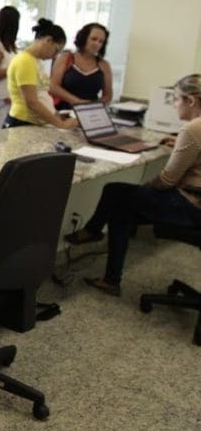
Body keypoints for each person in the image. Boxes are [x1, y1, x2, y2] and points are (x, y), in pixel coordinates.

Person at [69, 74, 201, 296]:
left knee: (115, 192)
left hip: (190, 208)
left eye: (176, 99)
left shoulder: (192, 130)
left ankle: (92, 232)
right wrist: (178, 143)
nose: (174, 104)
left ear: (191, 101)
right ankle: (110, 280)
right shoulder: (192, 131)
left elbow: (167, 181)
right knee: (122, 211)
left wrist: (144, 188)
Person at [4, 18, 78, 129]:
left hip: (33, 123)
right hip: (23, 123)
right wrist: (61, 124)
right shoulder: (25, 61)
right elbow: (32, 102)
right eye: (56, 50)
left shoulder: (34, 61)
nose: (54, 56)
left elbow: (42, 95)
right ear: (48, 41)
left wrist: (56, 116)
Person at [50, 23, 112, 110]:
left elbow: (108, 96)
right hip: (63, 111)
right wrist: (77, 101)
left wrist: (91, 106)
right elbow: (53, 87)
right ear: (84, 38)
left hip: (90, 112)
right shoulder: (65, 57)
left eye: (101, 41)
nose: (97, 44)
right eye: (94, 39)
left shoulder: (104, 65)